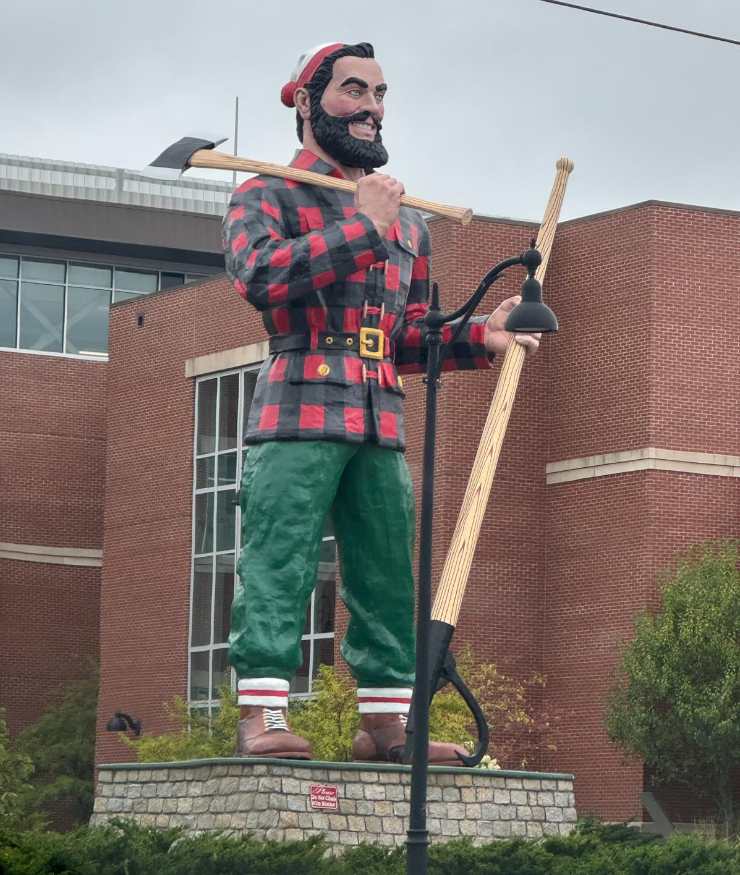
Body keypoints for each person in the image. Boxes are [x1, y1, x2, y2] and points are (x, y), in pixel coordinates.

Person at [222, 42, 540, 764]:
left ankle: (388, 726)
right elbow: (261, 277)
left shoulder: (411, 223)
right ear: (306, 104)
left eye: (380, 92)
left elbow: (405, 335)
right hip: (296, 404)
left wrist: (481, 333)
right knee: (279, 559)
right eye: (353, 90)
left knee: (388, 569)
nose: (371, 107)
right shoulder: (262, 195)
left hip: (379, 413)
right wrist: (360, 227)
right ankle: (262, 713)